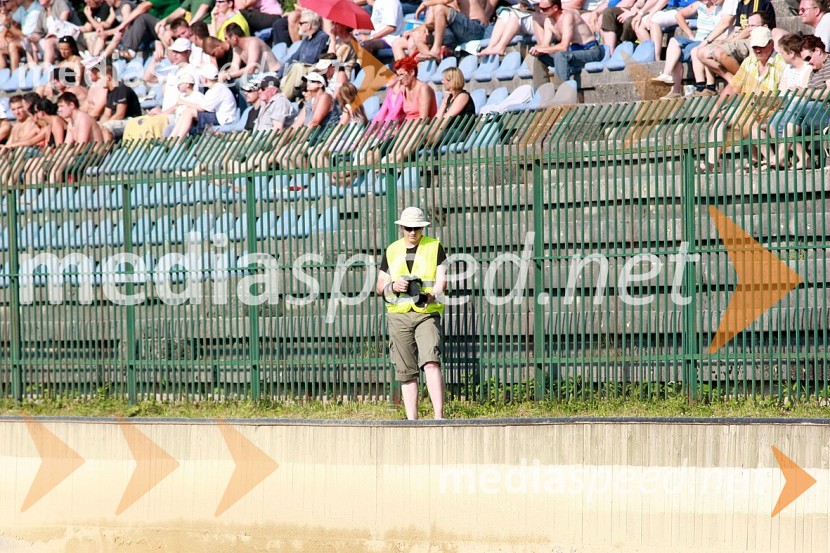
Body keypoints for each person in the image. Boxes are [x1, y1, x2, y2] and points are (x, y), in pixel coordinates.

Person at [376, 206, 448, 421]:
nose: (412, 232)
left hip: (426, 312)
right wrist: (393, 287)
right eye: (408, 228)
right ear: (402, 228)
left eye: (416, 228)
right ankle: (412, 421)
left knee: (431, 361)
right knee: (406, 372)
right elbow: (380, 285)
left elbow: (442, 281)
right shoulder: (391, 250)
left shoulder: (434, 247)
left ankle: (439, 417)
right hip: (398, 314)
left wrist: (431, 296)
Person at [699, 26, 785, 171]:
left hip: (771, 110)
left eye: (761, 46)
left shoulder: (781, 63)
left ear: (771, 44)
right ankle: (712, 163)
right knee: (719, 119)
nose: (758, 50)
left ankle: (767, 160)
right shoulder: (749, 62)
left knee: (750, 122)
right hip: (749, 109)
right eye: (755, 46)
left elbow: (783, 95)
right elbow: (734, 86)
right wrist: (716, 108)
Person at [650, 0, 724, 98]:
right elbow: (678, 15)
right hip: (696, 40)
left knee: (686, 52)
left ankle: (698, 87)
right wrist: (689, 34)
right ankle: (668, 77)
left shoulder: (720, 7)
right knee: (673, 42)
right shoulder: (699, 5)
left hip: (709, 40)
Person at [530, 0, 604, 84]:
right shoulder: (548, 21)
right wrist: (537, 50)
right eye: (540, 8)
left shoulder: (568, 16)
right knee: (541, 58)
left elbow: (564, 46)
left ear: (555, 8)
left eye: (544, 9)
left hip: (591, 50)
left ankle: (561, 92)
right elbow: (545, 45)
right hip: (573, 52)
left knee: (560, 55)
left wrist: (542, 49)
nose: (541, 11)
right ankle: (540, 94)